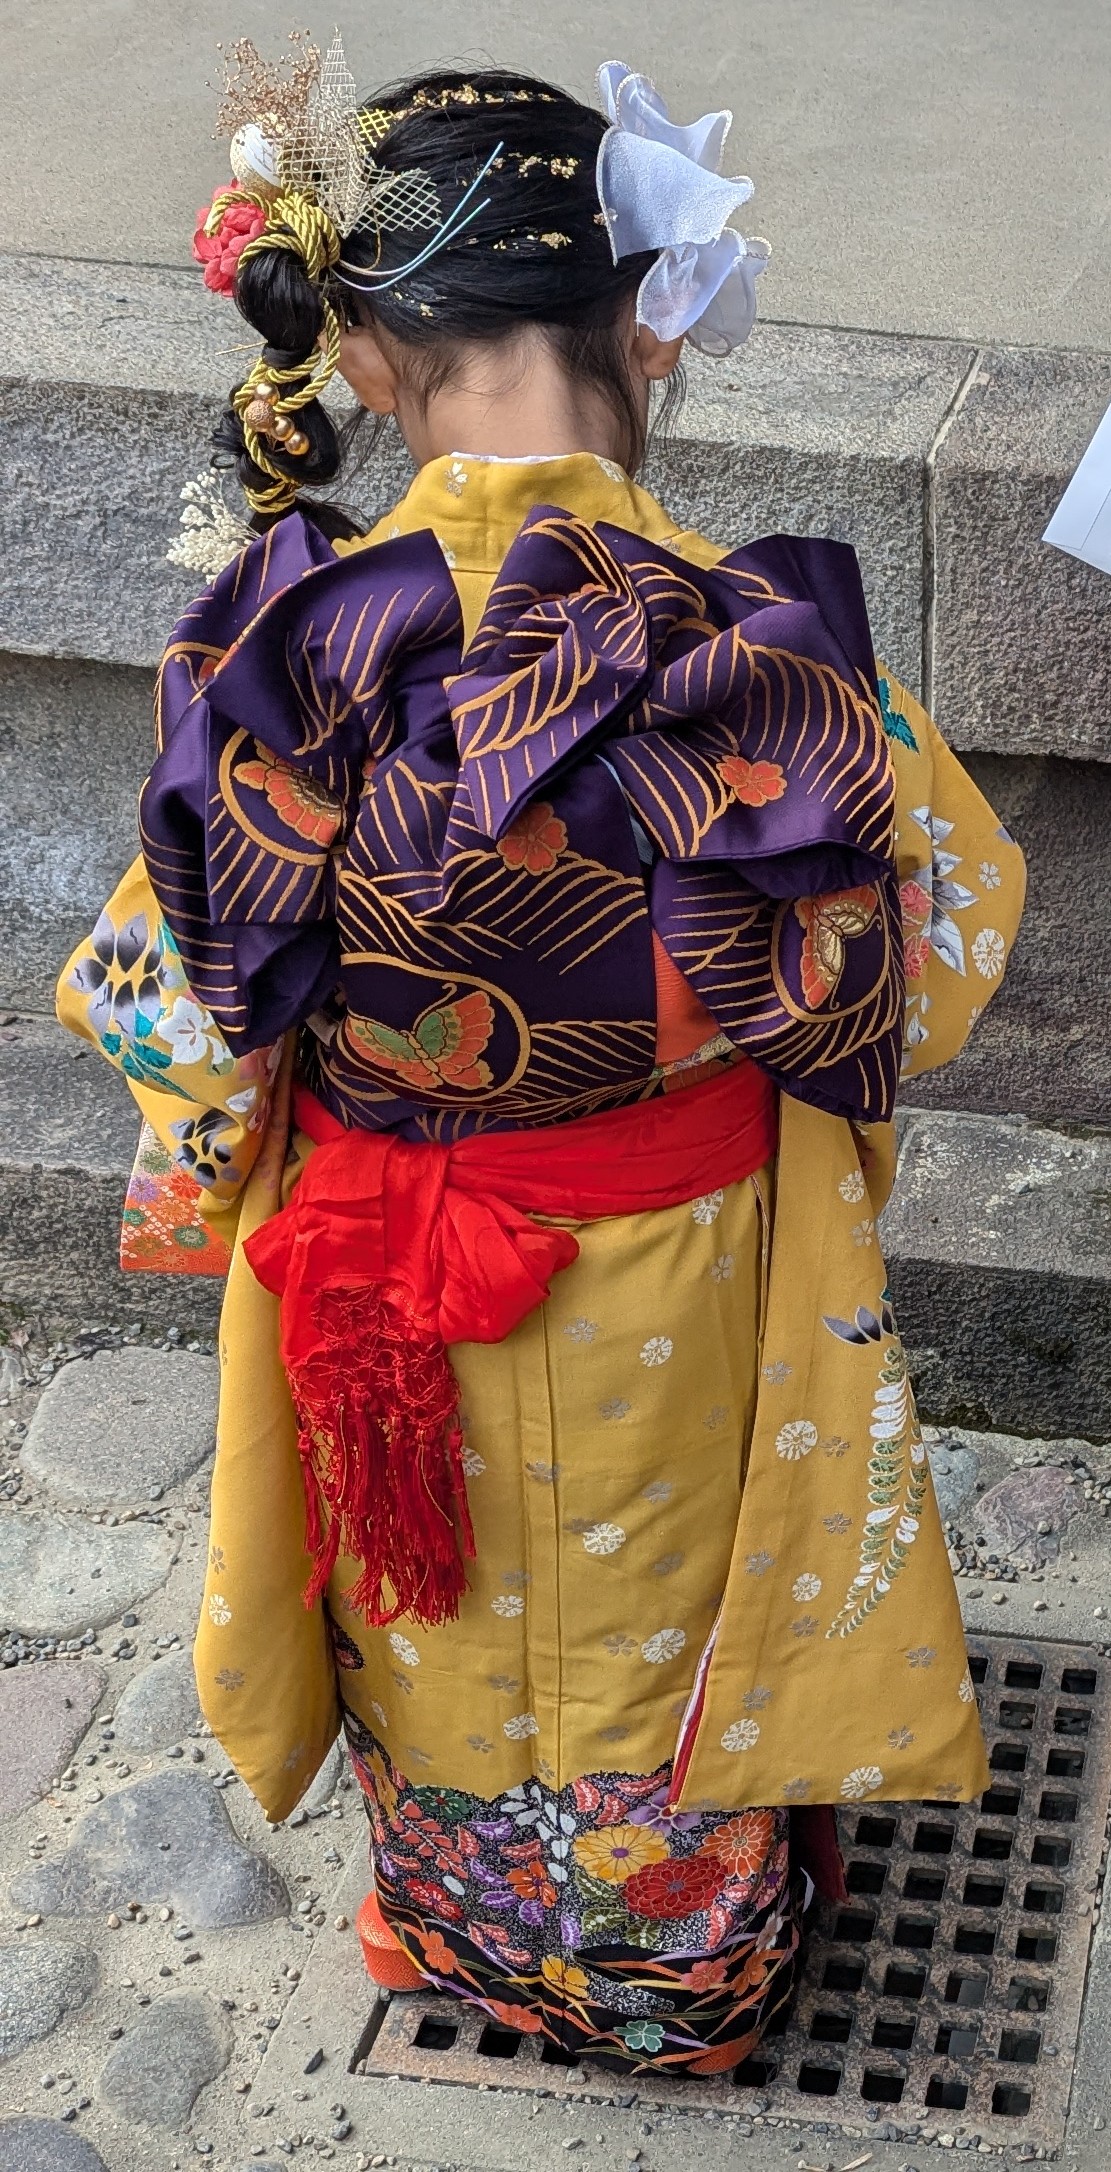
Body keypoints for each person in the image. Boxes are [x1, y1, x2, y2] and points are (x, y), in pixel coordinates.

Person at [58, 40, 1025, 2076]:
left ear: (364, 356)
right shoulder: (763, 656)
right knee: (673, 1603)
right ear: (645, 326)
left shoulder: (286, 654)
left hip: (373, 1270)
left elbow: (167, 1011)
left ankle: (459, 1930)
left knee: (423, 1597)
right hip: (681, 1268)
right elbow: (936, 970)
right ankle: (683, 1979)